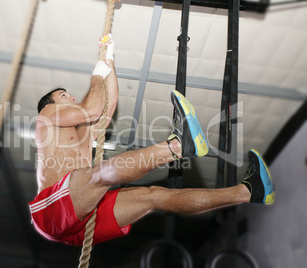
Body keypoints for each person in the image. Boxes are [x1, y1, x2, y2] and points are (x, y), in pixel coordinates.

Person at [29, 35, 275, 246]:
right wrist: (97, 74)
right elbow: (92, 109)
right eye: (64, 95)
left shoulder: (81, 131)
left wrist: (109, 60)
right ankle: (178, 145)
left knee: (154, 196)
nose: (71, 96)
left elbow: (107, 106)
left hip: (79, 213)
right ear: (50, 105)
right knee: (99, 174)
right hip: (50, 214)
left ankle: (248, 191)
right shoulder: (47, 116)